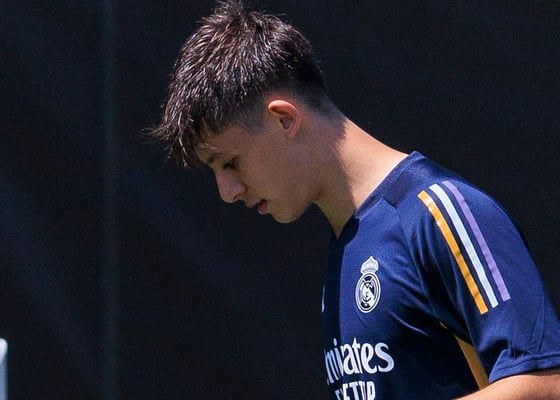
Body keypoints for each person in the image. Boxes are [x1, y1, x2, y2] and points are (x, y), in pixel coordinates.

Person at [151, 1, 560, 398]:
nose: (227, 192)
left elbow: (547, 383)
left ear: (284, 119)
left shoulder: (438, 212)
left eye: (230, 163)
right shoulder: (347, 249)